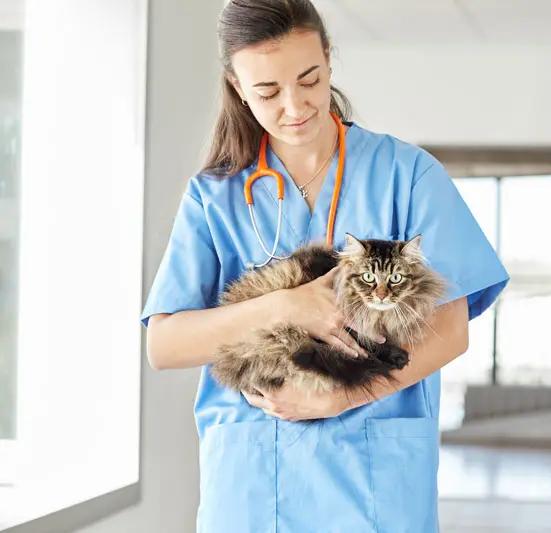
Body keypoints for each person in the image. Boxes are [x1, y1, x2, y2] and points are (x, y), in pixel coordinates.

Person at [140, 1, 509, 531]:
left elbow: (450, 333)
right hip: (253, 484)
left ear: (329, 59)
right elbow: (165, 344)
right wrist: (286, 307)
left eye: (309, 79)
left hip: (375, 484)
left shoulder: (407, 175)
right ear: (238, 87)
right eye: (268, 91)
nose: (294, 106)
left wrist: (341, 397)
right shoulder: (214, 196)